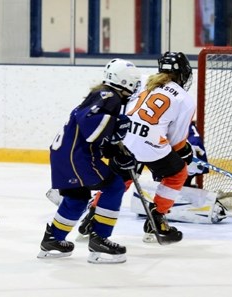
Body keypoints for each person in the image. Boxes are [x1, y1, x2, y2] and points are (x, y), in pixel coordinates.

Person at [37, 58, 141, 264]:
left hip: (65, 155)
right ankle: (100, 239)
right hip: (77, 157)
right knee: (114, 186)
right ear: (125, 80)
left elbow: (92, 132)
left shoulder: (103, 94)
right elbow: (91, 127)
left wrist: (114, 148)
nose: (137, 85)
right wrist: (117, 123)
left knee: (77, 198)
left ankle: (52, 239)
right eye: (135, 81)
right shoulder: (110, 96)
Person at [120, 51, 197, 243]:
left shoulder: (144, 80)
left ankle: (93, 215)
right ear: (183, 73)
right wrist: (184, 151)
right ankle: (157, 219)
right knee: (177, 173)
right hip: (151, 145)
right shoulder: (184, 98)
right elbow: (176, 140)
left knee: (124, 175)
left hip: (124, 138)